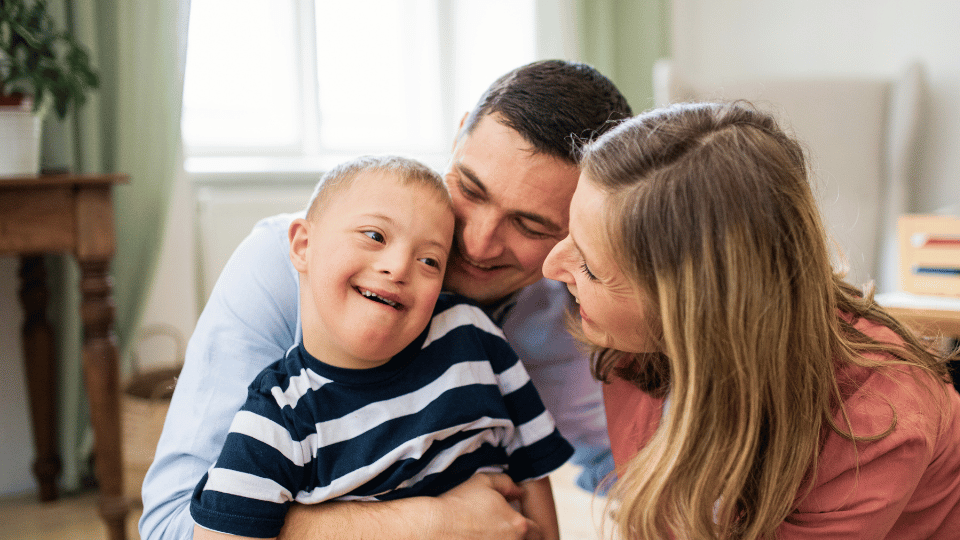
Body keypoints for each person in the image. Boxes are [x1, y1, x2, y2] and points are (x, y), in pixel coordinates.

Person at [139, 59, 633, 540]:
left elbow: (628, 465)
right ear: (458, 136)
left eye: (530, 225)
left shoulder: (575, 311)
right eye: (471, 188)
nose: (477, 243)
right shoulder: (284, 270)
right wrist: (426, 525)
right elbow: (172, 525)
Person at [542, 101, 960, 539]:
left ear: (694, 311)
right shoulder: (630, 343)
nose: (552, 267)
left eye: (590, 268)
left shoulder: (877, 427)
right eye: (568, 234)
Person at [189, 155, 573, 540]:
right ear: (303, 245)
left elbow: (533, 466)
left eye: (429, 260)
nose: (398, 267)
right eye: (375, 236)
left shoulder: (472, 332)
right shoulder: (279, 418)